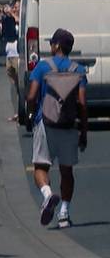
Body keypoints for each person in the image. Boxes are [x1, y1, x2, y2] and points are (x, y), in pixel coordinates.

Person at [27, 28, 87, 229]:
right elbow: (82, 103)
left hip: (46, 123)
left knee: (40, 167)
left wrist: (30, 115)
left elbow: (31, 96)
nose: (50, 46)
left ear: (57, 46)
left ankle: (47, 194)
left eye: (52, 43)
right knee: (67, 171)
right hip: (68, 125)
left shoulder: (43, 67)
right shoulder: (78, 70)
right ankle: (64, 213)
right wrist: (84, 132)